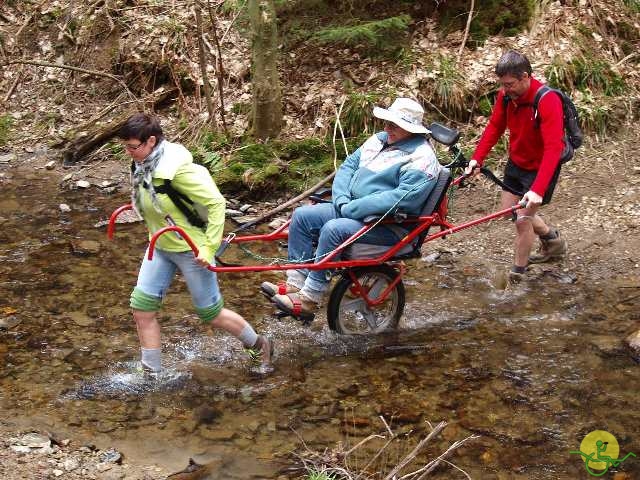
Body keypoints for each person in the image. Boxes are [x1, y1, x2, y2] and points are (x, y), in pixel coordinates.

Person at [119, 113, 272, 374]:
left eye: (133, 146)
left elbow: (215, 203)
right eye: (126, 147)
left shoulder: (177, 170)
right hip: (159, 246)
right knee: (142, 310)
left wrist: (208, 247)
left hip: (191, 249)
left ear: (152, 141)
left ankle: (260, 345)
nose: (129, 152)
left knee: (211, 314)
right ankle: (151, 374)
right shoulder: (141, 163)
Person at [261, 98, 442, 316]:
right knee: (302, 216)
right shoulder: (379, 140)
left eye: (393, 125)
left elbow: (401, 200)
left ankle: (310, 298)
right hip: (352, 210)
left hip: (388, 225)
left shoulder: (422, 159)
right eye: (387, 123)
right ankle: (297, 282)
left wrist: (352, 208)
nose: (386, 128)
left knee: (333, 229)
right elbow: (347, 167)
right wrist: (341, 200)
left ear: (410, 129)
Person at [465, 50, 568, 281]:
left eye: (509, 84)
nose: (505, 90)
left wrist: (538, 190)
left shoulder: (547, 100)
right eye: (502, 84)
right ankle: (552, 239)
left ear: (525, 77)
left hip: (541, 168)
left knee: (522, 221)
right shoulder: (506, 97)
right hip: (517, 162)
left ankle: (517, 275)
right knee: (510, 212)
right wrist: (477, 158)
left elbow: (553, 149)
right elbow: (494, 127)